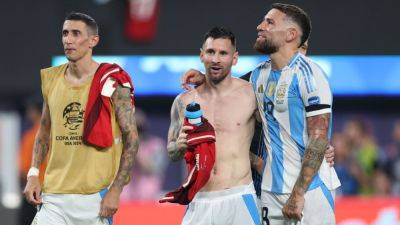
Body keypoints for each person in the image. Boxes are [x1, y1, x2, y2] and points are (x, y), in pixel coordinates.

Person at [180, 3, 340, 224]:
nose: (260, 26)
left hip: (311, 190)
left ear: (291, 35)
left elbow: (319, 138)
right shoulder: (258, 76)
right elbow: (228, 89)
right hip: (270, 191)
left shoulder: (309, 73)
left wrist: (299, 193)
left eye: (270, 22)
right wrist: (205, 80)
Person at [23, 12, 139, 225]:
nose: (68, 39)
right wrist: (33, 173)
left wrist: (116, 190)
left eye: (76, 33)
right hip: (53, 197)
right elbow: (44, 131)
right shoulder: (51, 79)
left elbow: (132, 139)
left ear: (93, 40)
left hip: (94, 199)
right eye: (65, 33)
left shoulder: (112, 83)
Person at [167, 26, 261, 225]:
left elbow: (280, 130)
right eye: (210, 52)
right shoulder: (183, 101)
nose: (216, 59)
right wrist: (179, 145)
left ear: (234, 58)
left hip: (239, 198)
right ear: (202, 55)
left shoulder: (251, 94)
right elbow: (171, 152)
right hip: (200, 200)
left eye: (223, 53)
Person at [18, 96, 47, 225]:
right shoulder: (58, 136)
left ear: (36, 112)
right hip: (55, 192)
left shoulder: (31, 137)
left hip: (34, 192)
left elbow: (23, 170)